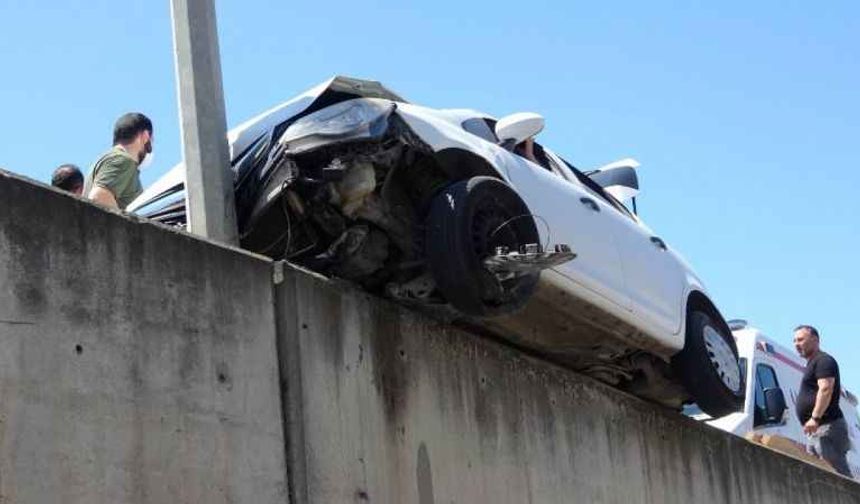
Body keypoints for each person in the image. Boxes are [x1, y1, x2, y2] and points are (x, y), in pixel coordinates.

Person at [793, 324, 852, 477]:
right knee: (820, 477)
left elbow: (826, 388)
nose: (796, 345)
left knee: (838, 476)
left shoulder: (824, 361)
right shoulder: (812, 364)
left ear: (815, 340)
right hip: (817, 430)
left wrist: (815, 418)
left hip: (827, 427)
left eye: (800, 340)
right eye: (794, 341)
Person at [84, 112, 153, 210]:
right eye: (151, 141)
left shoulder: (108, 158)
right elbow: (98, 197)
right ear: (145, 136)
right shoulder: (123, 160)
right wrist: (129, 225)